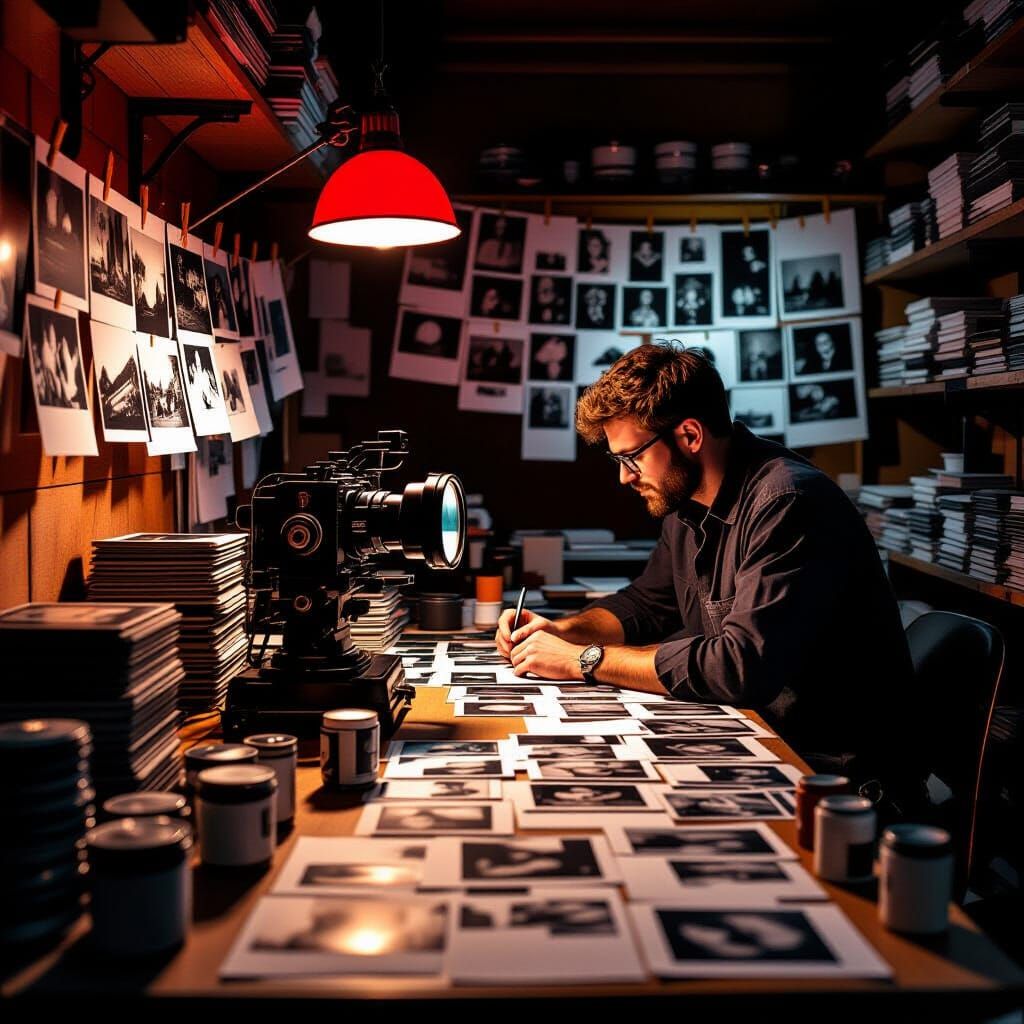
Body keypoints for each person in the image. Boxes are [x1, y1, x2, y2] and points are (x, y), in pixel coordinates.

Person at [495, 343, 924, 809]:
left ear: (690, 436)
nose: (624, 477)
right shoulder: (688, 504)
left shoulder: (788, 502)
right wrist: (561, 632)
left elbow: (740, 667)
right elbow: (646, 604)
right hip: (770, 746)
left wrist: (586, 660)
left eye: (632, 457)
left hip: (840, 786)